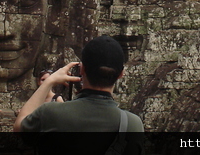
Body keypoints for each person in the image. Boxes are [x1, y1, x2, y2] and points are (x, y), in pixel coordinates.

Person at [14, 36, 144, 154]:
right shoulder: (132, 125)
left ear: (82, 69)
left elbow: (19, 127)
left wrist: (49, 81)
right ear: (121, 74)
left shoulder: (50, 113)